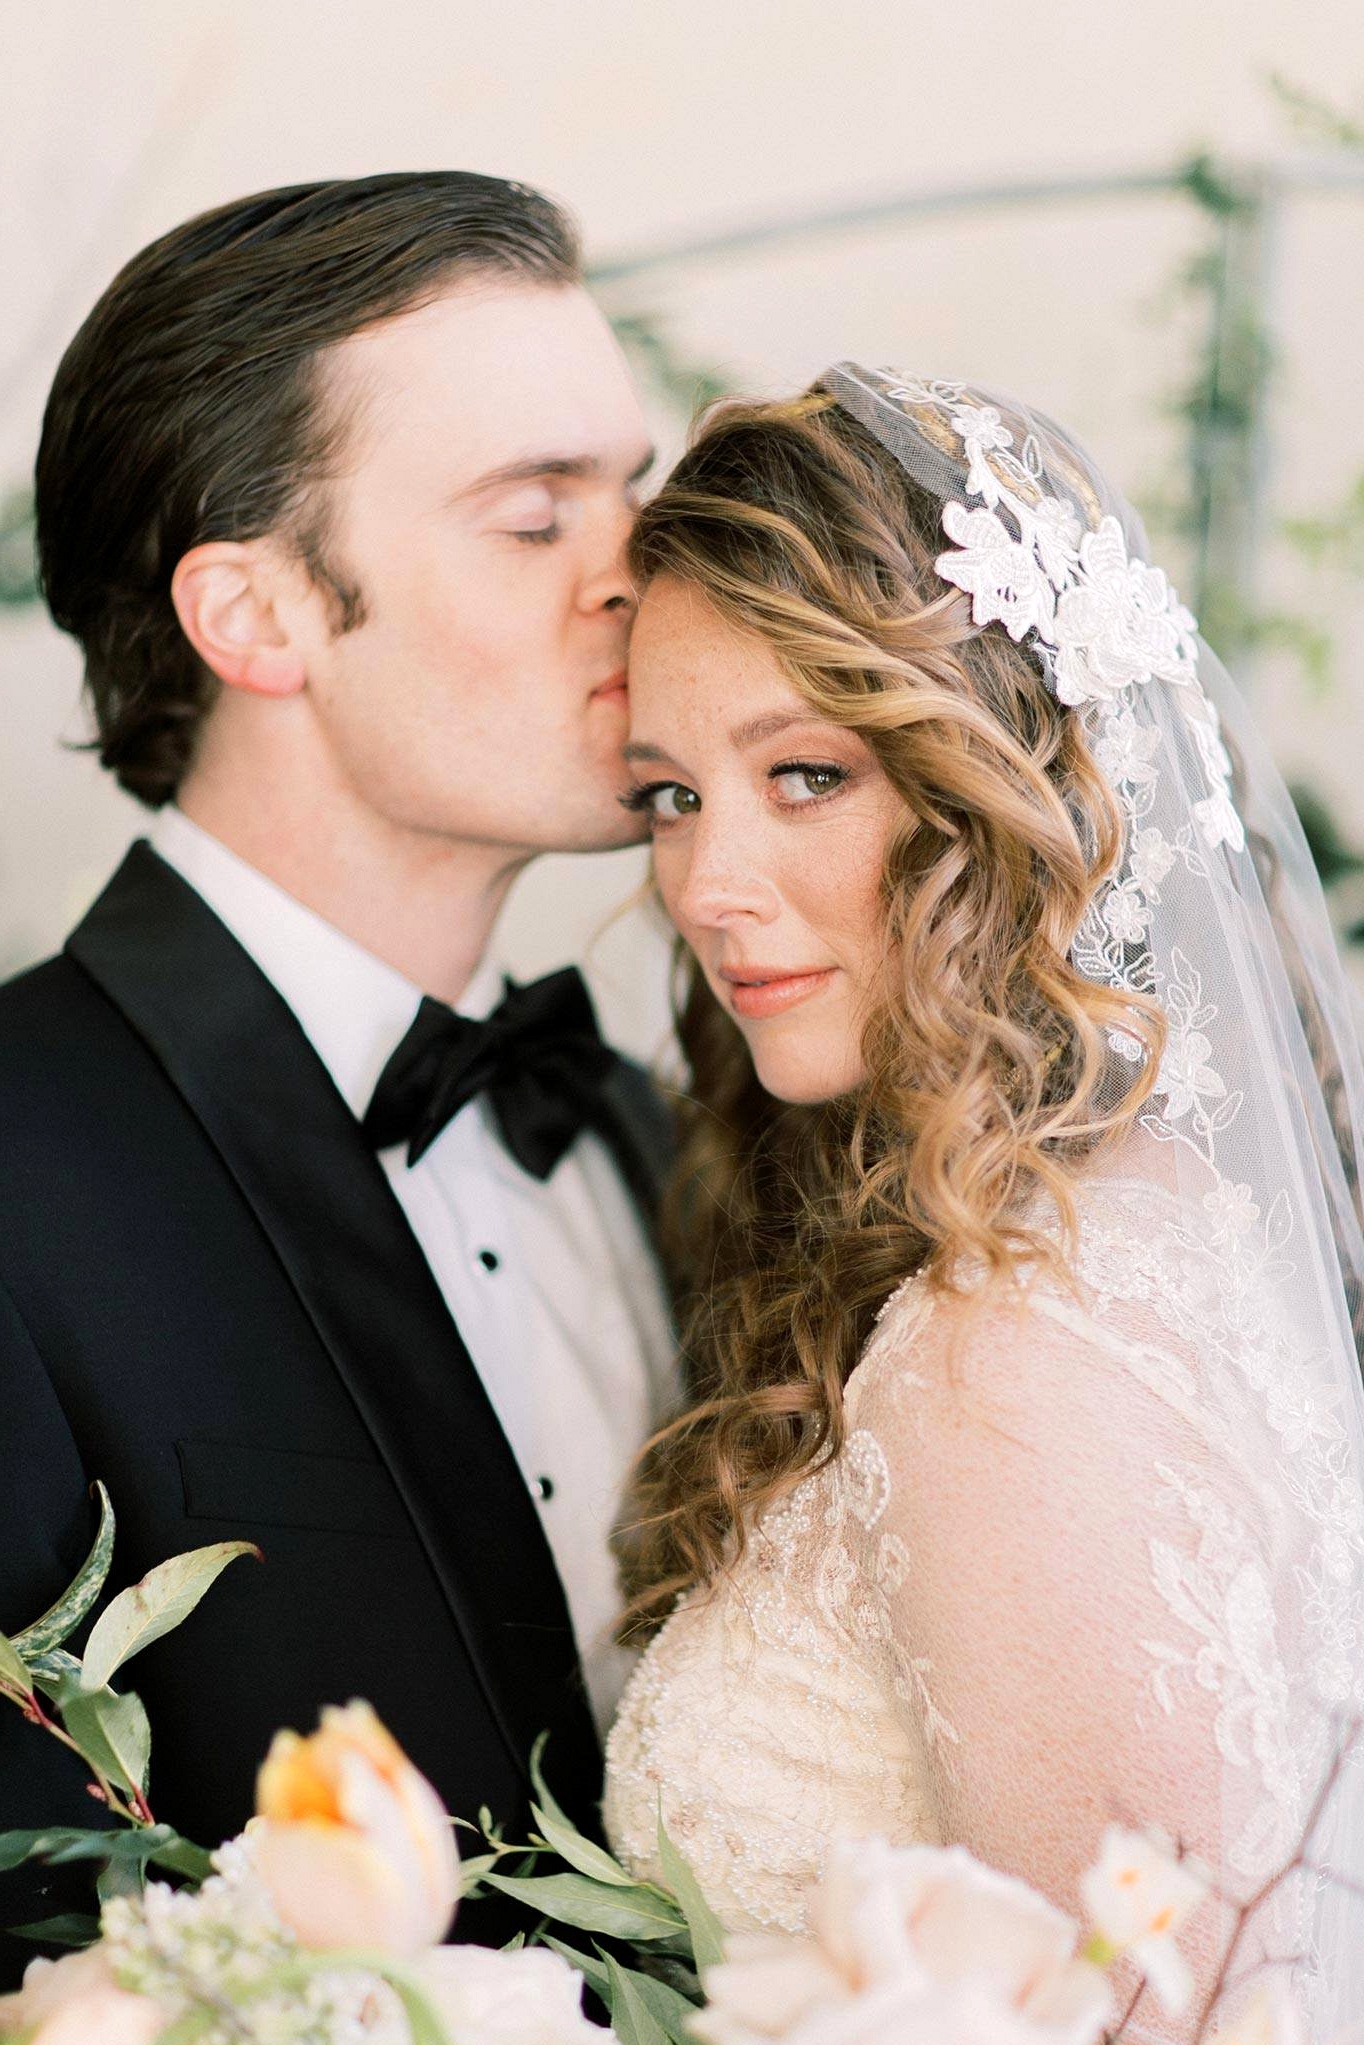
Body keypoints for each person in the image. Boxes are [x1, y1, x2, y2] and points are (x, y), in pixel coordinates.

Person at [602, 369, 1364, 2038]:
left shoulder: (1011, 1347)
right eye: (671, 793)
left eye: (805, 772)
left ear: (1000, 787)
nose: (710, 887)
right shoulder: (1104, 1218)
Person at [0, 173, 674, 1947]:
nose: (644, 580)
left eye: (641, 497)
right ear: (258, 616)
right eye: (537, 520)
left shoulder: (665, 1134)